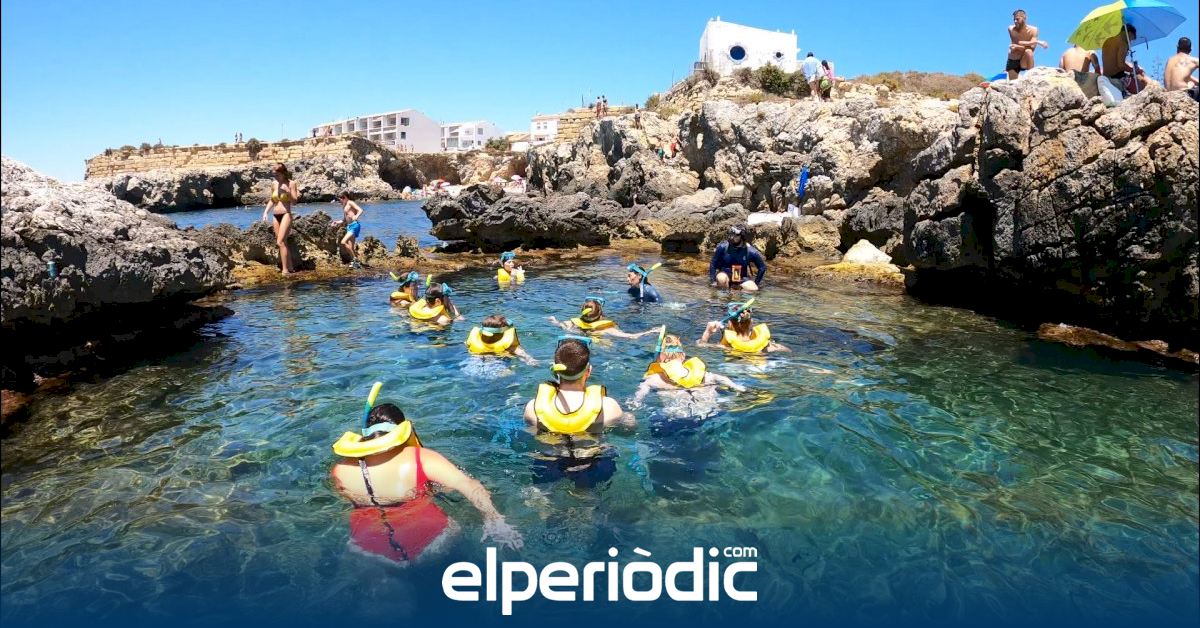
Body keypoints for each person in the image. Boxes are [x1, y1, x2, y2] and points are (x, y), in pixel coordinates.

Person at [331, 399, 523, 563]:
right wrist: (495, 520)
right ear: (404, 430)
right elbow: (469, 486)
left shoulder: (341, 470)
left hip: (364, 549)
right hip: (430, 544)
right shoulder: (421, 459)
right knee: (454, 526)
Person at [522, 337, 633, 486]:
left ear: (555, 370)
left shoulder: (532, 408)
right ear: (589, 371)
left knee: (541, 494)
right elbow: (629, 429)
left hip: (548, 462)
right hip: (591, 462)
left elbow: (532, 433)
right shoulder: (608, 407)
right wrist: (629, 417)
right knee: (587, 495)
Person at [631, 333, 746, 407]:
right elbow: (720, 378)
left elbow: (640, 394)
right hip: (708, 409)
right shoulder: (701, 374)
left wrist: (636, 401)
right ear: (683, 356)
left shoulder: (655, 379)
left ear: (660, 358)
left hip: (679, 416)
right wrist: (735, 386)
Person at [699, 300, 790, 354]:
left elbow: (701, 345)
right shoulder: (768, 347)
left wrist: (707, 332)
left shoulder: (726, 347)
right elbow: (788, 351)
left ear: (729, 324)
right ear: (751, 323)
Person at [548, 297, 661, 339]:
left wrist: (553, 320)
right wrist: (652, 331)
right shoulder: (606, 330)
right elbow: (632, 336)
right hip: (601, 349)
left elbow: (558, 324)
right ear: (600, 313)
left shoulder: (571, 324)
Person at [260, 163, 297, 275]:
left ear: (283, 173)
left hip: (286, 214)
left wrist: (288, 192)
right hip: (275, 215)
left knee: (280, 242)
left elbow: (294, 201)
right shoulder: (274, 184)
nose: (275, 176)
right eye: (274, 175)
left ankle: (285, 270)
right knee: (283, 242)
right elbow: (273, 200)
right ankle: (290, 267)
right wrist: (266, 212)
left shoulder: (291, 183)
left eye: (277, 174)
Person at [1101, 24, 1157, 95]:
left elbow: (1113, 61)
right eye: (1130, 39)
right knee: (1143, 89)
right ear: (1129, 33)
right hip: (1117, 77)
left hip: (1106, 76)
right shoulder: (1123, 43)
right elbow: (1121, 65)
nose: (1130, 42)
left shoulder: (1107, 40)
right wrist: (1133, 70)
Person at [708, 225, 765, 291]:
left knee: (753, 289)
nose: (732, 237)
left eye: (736, 235)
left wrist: (756, 283)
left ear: (742, 237)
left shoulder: (750, 251)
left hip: (741, 278)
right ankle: (724, 295)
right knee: (721, 278)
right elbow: (713, 263)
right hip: (725, 274)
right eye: (732, 234)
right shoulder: (723, 247)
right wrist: (713, 281)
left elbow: (762, 267)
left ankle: (740, 293)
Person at [465, 314, 538, 366]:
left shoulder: (473, 340)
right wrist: (531, 360)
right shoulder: (511, 347)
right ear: (504, 332)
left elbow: (466, 344)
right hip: (497, 365)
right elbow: (523, 355)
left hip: (473, 363)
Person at [1006, 9, 1048, 80]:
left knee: (1029, 51)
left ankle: (1031, 77)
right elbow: (1018, 43)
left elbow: (1032, 48)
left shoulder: (1033, 30)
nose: (1015, 21)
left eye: (1017, 19)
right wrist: (1037, 42)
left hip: (1024, 59)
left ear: (1024, 18)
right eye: (1014, 20)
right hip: (1013, 59)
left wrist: (1018, 46)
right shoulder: (1011, 29)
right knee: (1012, 83)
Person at [333, 191, 364, 268]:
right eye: (339, 199)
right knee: (351, 247)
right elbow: (344, 220)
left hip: (354, 225)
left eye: (341, 198)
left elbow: (360, 210)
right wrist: (337, 222)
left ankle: (355, 261)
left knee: (343, 242)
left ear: (345, 197)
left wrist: (356, 216)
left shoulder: (350, 203)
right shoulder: (344, 206)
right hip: (349, 226)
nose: (340, 200)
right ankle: (356, 263)